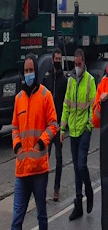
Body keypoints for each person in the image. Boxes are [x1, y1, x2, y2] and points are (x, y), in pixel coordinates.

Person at [12, 54, 59, 230]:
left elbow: (53, 124)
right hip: (22, 169)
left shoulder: (45, 96)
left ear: (36, 71)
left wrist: (41, 143)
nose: (29, 74)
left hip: (39, 169)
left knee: (41, 215)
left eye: (31, 70)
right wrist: (16, 145)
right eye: (26, 71)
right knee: (17, 219)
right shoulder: (18, 99)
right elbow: (15, 127)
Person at [60, 49, 97, 220]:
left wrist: (89, 126)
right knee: (76, 167)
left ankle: (88, 190)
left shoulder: (90, 81)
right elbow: (66, 105)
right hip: (73, 131)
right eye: (75, 64)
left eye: (79, 64)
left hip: (84, 130)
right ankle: (78, 203)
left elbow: (93, 107)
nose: (77, 67)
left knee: (81, 165)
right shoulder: (70, 82)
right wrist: (62, 129)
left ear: (83, 62)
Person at [41, 48, 67, 201]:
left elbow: (66, 104)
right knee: (45, 158)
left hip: (58, 125)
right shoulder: (47, 79)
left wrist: (63, 125)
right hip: (47, 125)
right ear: (52, 60)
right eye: (56, 58)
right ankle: (42, 188)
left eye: (59, 59)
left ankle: (56, 188)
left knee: (59, 158)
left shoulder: (65, 80)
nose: (57, 61)